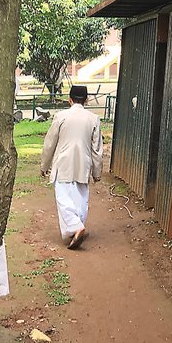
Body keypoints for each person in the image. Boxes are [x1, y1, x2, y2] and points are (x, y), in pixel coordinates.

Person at [41, 85, 103, 249]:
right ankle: (76, 229)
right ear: (87, 100)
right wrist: (97, 172)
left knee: (64, 199)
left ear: (69, 99)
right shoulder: (93, 119)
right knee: (81, 198)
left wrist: (44, 165)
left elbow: (50, 144)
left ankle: (75, 227)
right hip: (84, 164)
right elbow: (97, 150)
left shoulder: (60, 116)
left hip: (63, 163)